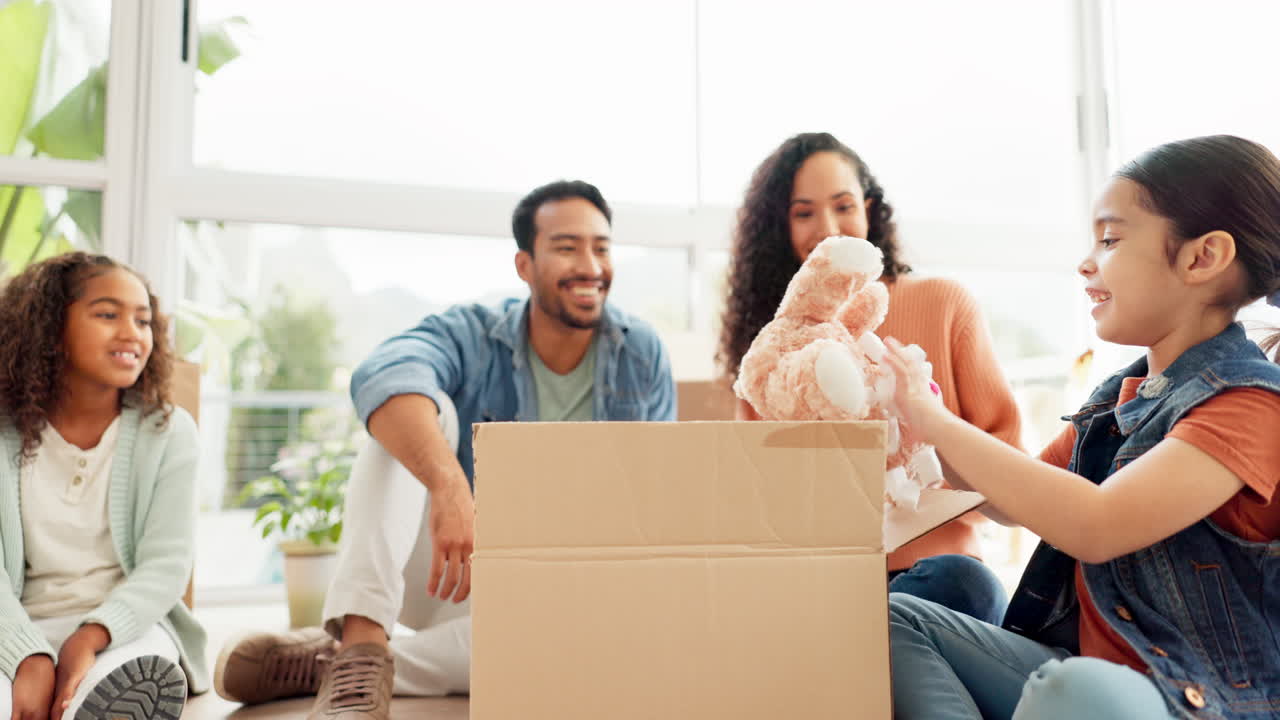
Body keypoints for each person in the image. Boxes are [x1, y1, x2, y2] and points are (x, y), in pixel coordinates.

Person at [214, 180, 677, 719]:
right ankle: (363, 635)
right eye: (568, 247)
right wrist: (448, 482)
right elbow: (380, 374)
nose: (591, 265)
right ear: (525, 265)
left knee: (571, 649)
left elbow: (654, 488)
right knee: (413, 408)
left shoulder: (640, 354)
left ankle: (343, 666)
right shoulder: (474, 334)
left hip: (547, 594)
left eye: (601, 246)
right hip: (452, 562)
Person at [882, 134, 1280, 720]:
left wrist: (936, 421)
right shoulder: (1117, 398)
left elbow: (1096, 524)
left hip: (1196, 701)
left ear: (1203, 257)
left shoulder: (1249, 406)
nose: (1086, 262)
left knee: (1072, 690)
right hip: (1085, 682)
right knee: (897, 620)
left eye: (1112, 239)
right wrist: (915, 430)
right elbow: (1012, 500)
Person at [718, 132, 1022, 625]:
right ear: (779, 229)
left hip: (941, 574)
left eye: (843, 205)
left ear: (870, 208)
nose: (828, 228)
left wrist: (925, 453)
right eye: (803, 213)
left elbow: (1005, 446)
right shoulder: (772, 350)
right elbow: (759, 492)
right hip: (826, 575)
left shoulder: (945, 303)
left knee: (960, 588)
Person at [0, 253, 206, 720]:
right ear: (51, 327)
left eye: (143, 320)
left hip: (122, 628)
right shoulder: (4, 432)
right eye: (108, 314)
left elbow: (166, 566)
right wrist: (27, 656)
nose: (132, 333)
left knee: (133, 672)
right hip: (11, 625)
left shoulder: (169, 434)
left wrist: (89, 637)